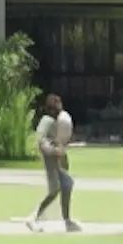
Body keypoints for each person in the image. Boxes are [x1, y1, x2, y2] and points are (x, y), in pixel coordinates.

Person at [27, 93, 78, 232]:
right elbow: (42, 142)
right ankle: (33, 217)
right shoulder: (47, 121)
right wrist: (54, 151)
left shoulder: (59, 121)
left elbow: (60, 140)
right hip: (50, 158)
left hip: (57, 156)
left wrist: (62, 151)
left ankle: (67, 221)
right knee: (54, 189)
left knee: (67, 184)